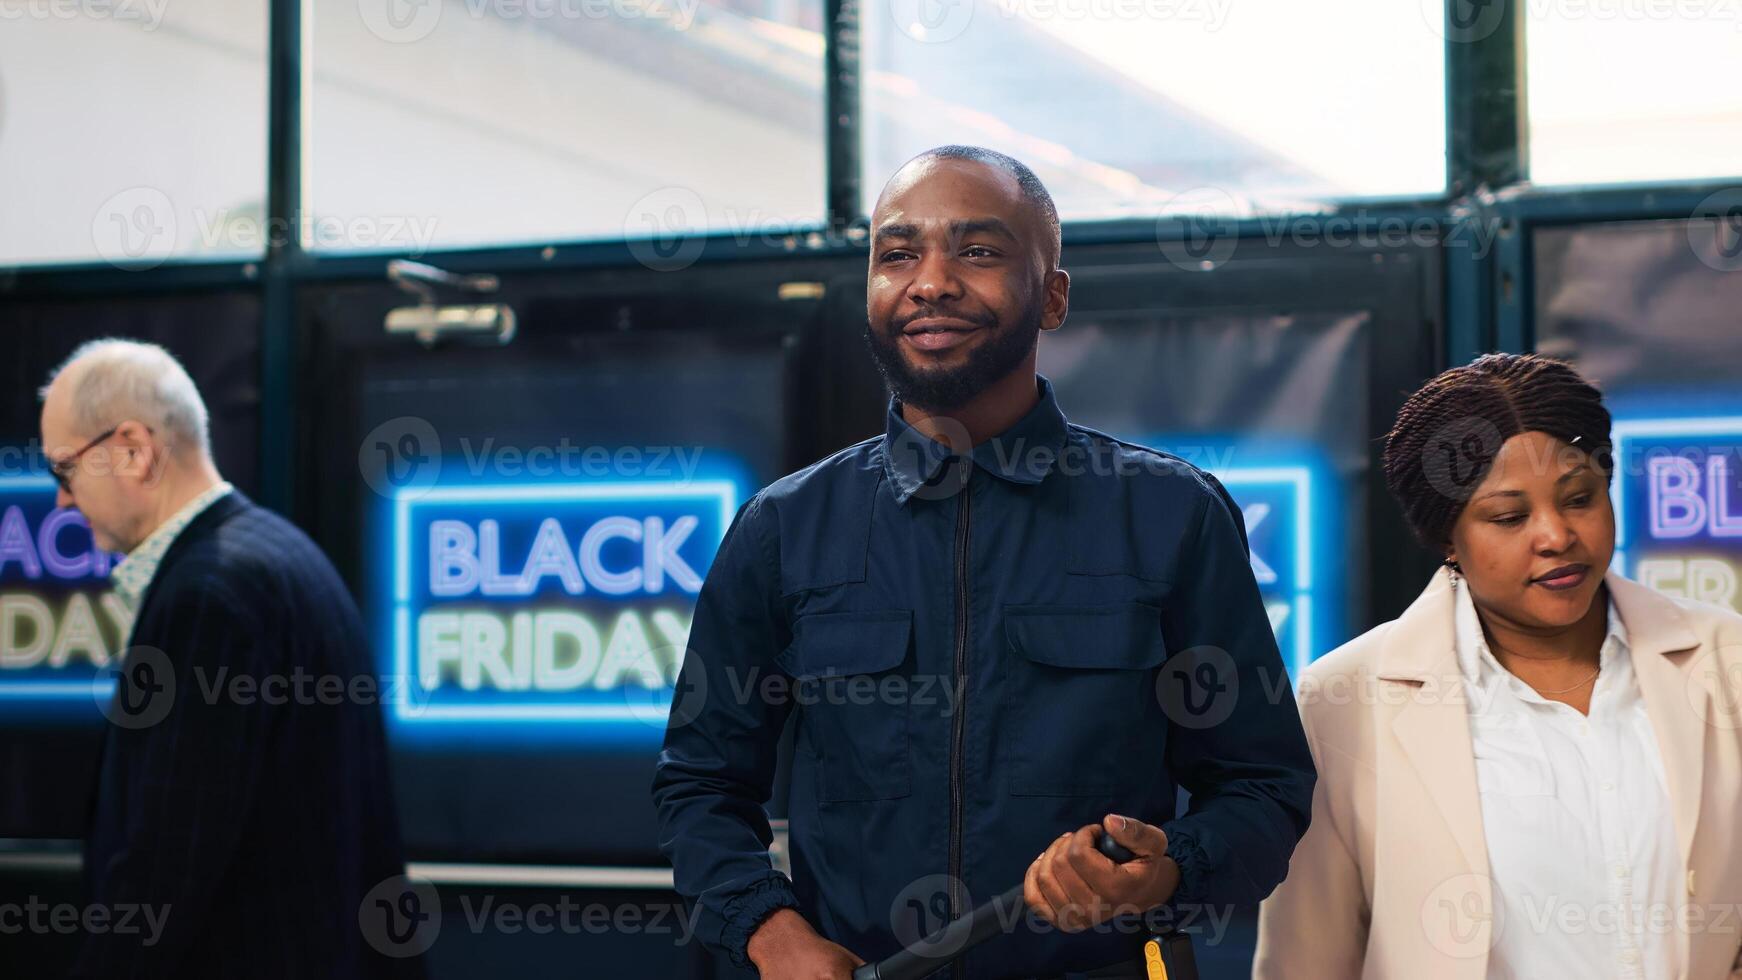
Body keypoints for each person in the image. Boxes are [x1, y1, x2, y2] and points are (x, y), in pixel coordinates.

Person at [652, 146, 1315, 980]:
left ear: (1054, 296)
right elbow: (700, 786)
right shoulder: (783, 528)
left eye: (978, 251)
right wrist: (768, 931)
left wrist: (1170, 865)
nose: (930, 281)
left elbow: (1264, 789)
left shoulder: (1172, 514)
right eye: (898, 255)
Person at [1255, 353, 1742, 978]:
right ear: (1447, 539)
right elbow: (1306, 959)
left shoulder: (1726, 661)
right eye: (1510, 517)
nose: (1556, 535)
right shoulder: (1345, 700)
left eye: (1580, 498)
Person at [39, 339, 422, 979]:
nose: (62, 502)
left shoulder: (209, 595)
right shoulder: (279, 552)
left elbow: (164, 868)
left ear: (132, 450)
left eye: (64, 469)